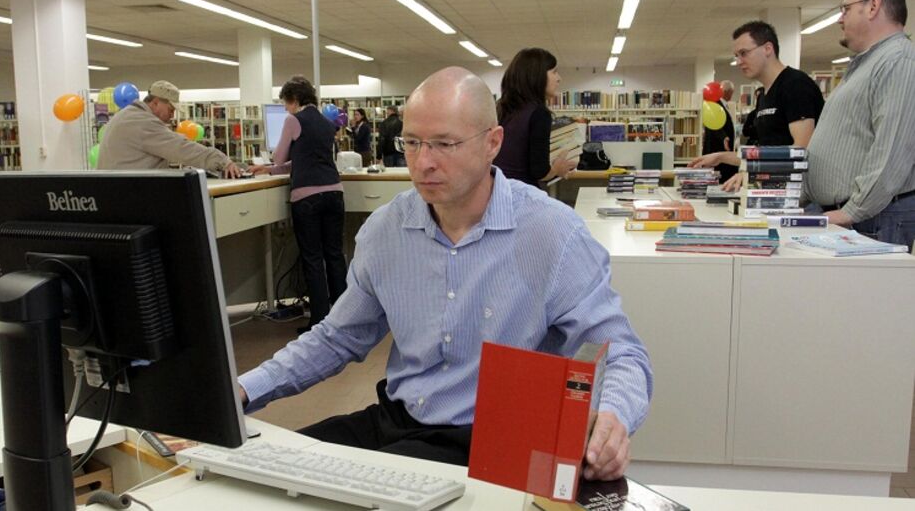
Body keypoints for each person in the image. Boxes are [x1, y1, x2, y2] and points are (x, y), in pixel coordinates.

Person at [238, 67, 653, 480]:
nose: (423, 162)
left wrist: (612, 418)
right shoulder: (386, 231)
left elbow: (622, 354)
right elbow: (338, 337)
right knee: (271, 471)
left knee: (337, 487)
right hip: (397, 421)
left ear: (492, 143)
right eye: (413, 143)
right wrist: (244, 389)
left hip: (497, 440)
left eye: (444, 144)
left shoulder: (552, 233)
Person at [804, 0, 915, 248]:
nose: (841, 19)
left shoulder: (898, 61)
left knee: (868, 292)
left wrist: (852, 211)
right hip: (850, 215)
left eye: (846, 9)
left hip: (872, 218)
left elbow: (892, 149)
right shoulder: (868, 63)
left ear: (873, 6)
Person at [254, 76, 347, 331]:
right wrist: (272, 171)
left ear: (294, 100)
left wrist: (272, 164)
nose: (285, 108)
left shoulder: (293, 120)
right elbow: (308, 158)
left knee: (313, 258)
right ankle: (343, 318)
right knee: (335, 255)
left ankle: (319, 320)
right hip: (334, 193)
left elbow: (280, 155)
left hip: (306, 197)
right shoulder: (327, 123)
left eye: (286, 103)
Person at [689, 21, 824, 191]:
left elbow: (801, 150)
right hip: (772, 193)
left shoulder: (795, 85)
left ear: (768, 48)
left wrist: (753, 173)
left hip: (799, 196)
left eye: (744, 53)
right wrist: (720, 156)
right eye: (736, 55)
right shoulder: (764, 95)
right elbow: (764, 155)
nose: (738, 61)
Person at [97, 80, 244, 178]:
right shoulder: (143, 122)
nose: (171, 116)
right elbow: (181, 148)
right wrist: (223, 161)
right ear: (155, 103)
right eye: (170, 109)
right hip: (132, 199)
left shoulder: (125, 115)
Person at [494, 48, 578, 187]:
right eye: (554, 72)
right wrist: (558, 169)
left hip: (497, 190)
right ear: (537, 76)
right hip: (522, 195)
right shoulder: (539, 113)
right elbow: (539, 171)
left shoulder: (502, 108)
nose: (559, 78)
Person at [702, 80, 737, 182]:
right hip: (717, 148)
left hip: (720, 149)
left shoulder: (720, 104)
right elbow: (715, 125)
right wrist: (724, 137)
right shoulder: (715, 104)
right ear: (728, 92)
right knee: (719, 177)